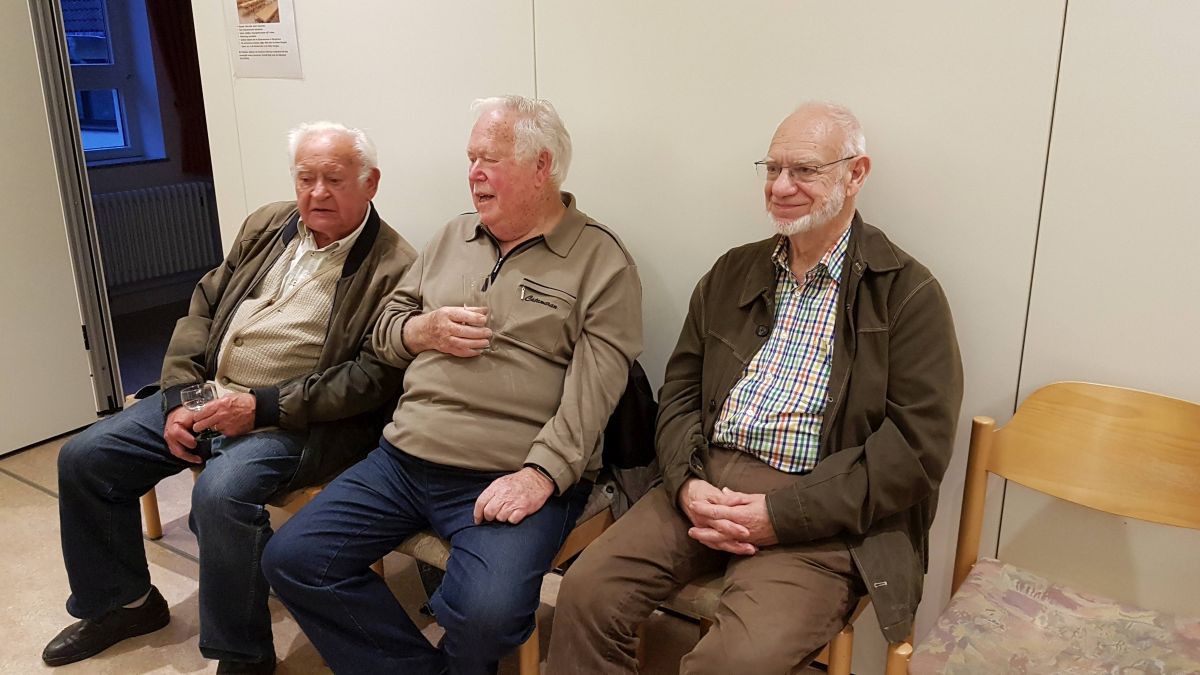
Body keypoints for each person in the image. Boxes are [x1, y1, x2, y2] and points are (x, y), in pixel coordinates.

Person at [546, 102, 964, 674]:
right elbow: (680, 393)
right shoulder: (732, 273)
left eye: (805, 170)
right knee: (586, 594)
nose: (781, 186)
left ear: (856, 174)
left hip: (821, 509)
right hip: (705, 479)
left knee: (733, 663)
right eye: (773, 169)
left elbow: (916, 451)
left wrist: (783, 513)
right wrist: (686, 484)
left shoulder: (907, 295)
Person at [262, 95, 643, 675]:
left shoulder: (601, 260)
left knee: (485, 614)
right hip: (404, 458)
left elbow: (595, 396)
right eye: (471, 159)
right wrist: (421, 330)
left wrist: (541, 475)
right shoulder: (451, 237)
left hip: (508, 471)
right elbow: (383, 333)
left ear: (541, 166)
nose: (474, 174)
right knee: (293, 558)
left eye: (490, 160)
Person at [44, 122, 417, 675]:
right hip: (208, 391)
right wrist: (178, 396)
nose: (317, 193)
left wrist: (260, 407)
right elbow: (204, 305)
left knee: (220, 495)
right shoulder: (268, 224)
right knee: (86, 457)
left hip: (294, 419)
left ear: (371, 182)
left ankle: (243, 656)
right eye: (305, 178)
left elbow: (370, 379)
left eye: (334, 180)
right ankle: (124, 604)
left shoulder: (395, 265)